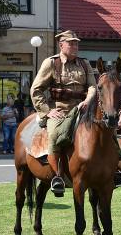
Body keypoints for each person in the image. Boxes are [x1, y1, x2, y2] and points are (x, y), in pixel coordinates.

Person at [30, 30, 96, 195]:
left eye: (76, 43)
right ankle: (57, 176)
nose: (75, 46)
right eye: (71, 43)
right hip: (60, 110)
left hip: (83, 109)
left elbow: (92, 86)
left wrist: (88, 101)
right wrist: (47, 111)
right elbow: (36, 90)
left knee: (106, 130)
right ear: (61, 45)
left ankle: (113, 169)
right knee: (54, 136)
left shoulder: (84, 63)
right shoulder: (51, 63)